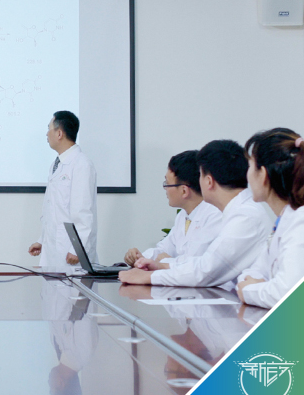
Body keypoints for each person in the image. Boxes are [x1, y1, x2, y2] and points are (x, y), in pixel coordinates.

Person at [120, 139, 271, 287]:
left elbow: (206, 271)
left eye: (200, 176)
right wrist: (162, 265)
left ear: (209, 181)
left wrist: (150, 276)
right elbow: (203, 263)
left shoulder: (245, 216)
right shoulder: (237, 211)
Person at [236, 129, 304, 308]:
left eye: (250, 166)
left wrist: (248, 291)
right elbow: (252, 273)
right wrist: (254, 286)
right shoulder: (284, 219)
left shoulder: (300, 220)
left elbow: (287, 295)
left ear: (263, 175)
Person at [124, 150, 222, 266]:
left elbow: (195, 263)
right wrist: (140, 257)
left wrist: (164, 261)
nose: (165, 189)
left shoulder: (215, 215)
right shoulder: (183, 215)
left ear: (184, 191)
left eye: (167, 184)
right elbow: (164, 249)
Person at [29, 111, 98, 271]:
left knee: (71, 286)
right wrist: (42, 240)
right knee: (50, 285)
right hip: (54, 248)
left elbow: (83, 211)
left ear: (59, 133)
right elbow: (54, 210)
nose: (46, 134)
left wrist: (78, 249)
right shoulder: (57, 164)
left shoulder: (81, 164)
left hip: (71, 252)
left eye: (49, 129)